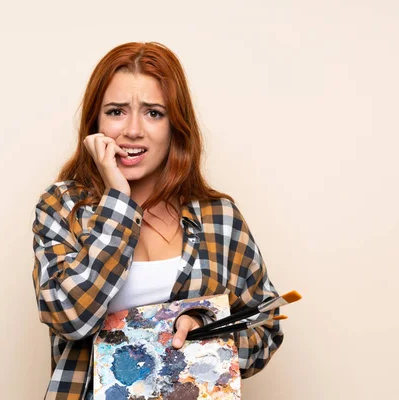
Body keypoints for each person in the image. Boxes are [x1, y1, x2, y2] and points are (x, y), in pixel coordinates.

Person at [31, 41, 284, 400]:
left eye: (153, 113)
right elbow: (69, 318)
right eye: (117, 111)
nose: (133, 130)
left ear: (175, 125)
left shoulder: (219, 219)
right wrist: (117, 198)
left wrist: (209, 334)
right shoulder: (63, 207)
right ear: (95, 123)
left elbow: (265, 325)